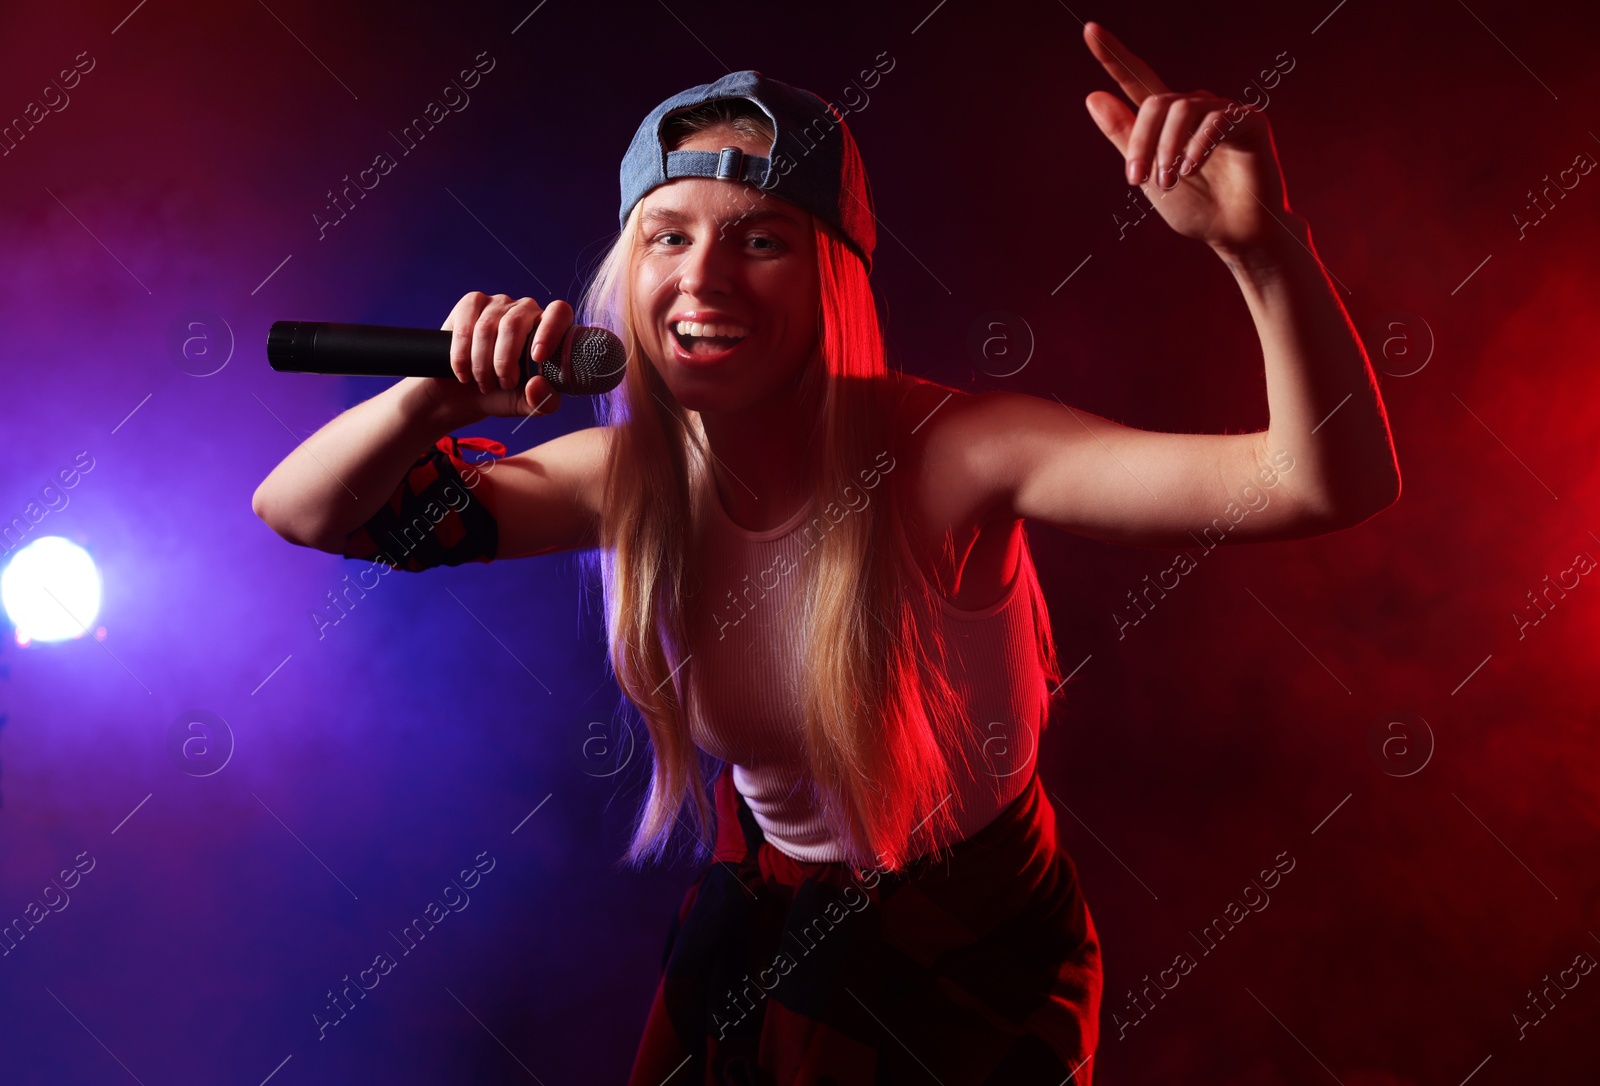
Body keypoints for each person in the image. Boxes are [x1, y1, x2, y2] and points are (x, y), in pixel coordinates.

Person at [252, 21, 1399, 1085]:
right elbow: (305, 510)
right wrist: (427, 399)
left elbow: (1320, 479)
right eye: (668, 236)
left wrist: (1261, 249)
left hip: (975, 949)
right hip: (766, 917)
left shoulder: (954, 453)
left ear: (831, 278)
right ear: (627, 273)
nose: (702, 277)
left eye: (760, 240)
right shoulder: (630, 481)